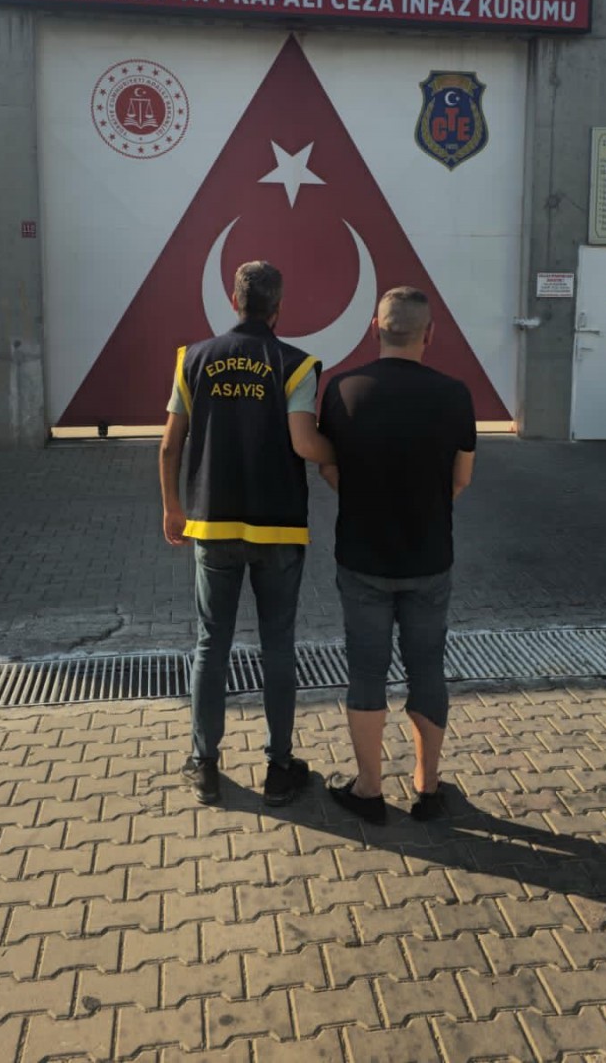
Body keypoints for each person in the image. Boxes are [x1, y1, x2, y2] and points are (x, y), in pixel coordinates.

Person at [159, 260, 335, 808]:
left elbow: (169, 445)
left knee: (211, 643)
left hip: (212, 523)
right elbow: (305, 444)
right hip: (278, 528)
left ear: (234, 301)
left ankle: (204, 765)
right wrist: (344, 456)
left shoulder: (193, 359)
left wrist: (172, 508)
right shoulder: (295, 365)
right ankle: (279, 768)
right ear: (277, 309)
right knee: (278, 644)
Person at [318, 287, 476, 824]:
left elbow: (328, 466)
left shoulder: (342, 389)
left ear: (374, 328)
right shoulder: (455, 394)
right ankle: (427, 788)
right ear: (429, 334)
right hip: (429, 558)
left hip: (361, 558)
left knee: (366, 670)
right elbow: (461, 478)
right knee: (427, 667)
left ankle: (368, 790)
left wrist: (368, 500)